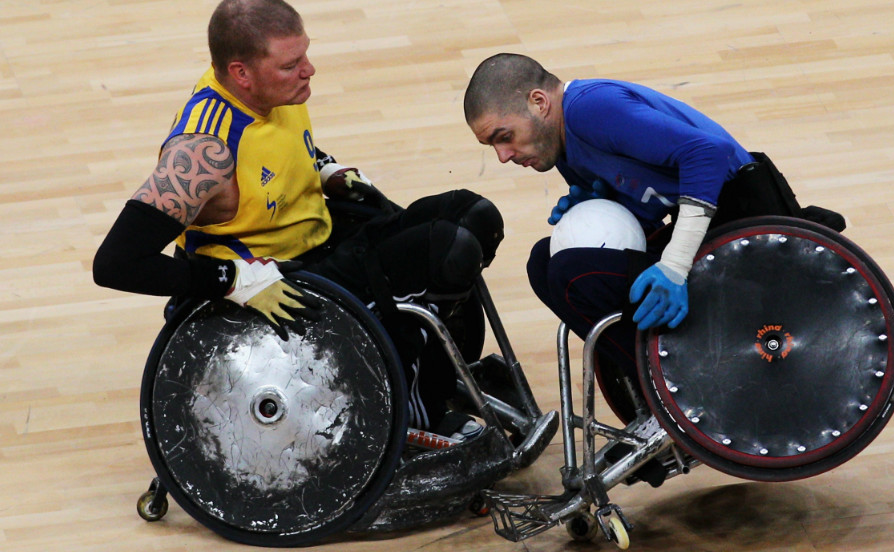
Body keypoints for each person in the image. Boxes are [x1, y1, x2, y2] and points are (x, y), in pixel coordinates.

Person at [94, 0, 503, 439]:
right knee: (446, 250)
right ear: (241, 74)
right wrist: (231, 280)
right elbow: (116, 263)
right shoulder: (202, 152)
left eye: (305, 54)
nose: (309, 70)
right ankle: (413, 410)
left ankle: (436, 369)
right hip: (284, 283)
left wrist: (323, 168)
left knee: (474, 215)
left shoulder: (275, 91)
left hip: (325, 240)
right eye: (292, 64)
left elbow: (281, 148)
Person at [464, 53, 841, 394]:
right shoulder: (565, 149)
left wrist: (675, 266)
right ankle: (661, 390)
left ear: (539, 103)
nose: (502, 156)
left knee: (572, 273)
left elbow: (708, 153)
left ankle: (684, 393)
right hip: (704, 231)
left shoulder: (590, 110)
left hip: (751, 232)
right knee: (545, 261)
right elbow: (650, 210)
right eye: (492, 146)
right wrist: (608, 208)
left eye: (505, 137)